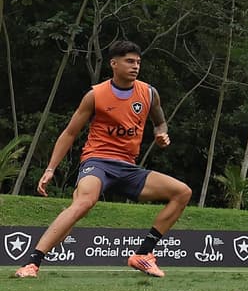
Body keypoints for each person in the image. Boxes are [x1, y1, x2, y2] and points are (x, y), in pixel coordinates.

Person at [14, 41, 192, 279]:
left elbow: (160, 122)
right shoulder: (95, 95)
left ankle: (143, 254)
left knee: (182, 192)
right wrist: (50, 169)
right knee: (85, 202)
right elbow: (69, 133)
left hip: (128, 167)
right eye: (129, 61)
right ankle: (32, 263)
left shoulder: (149, 93)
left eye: (138, 62)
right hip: (97, 162)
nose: (135, 66)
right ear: (113, 63)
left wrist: (161, 134)